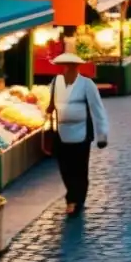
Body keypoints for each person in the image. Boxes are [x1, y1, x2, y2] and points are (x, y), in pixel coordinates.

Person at [47, 53, 109, 217]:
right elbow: (51, 104)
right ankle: (72, 195)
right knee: (65, 167)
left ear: (77, 67)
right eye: (66, 66)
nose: (69, 69)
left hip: (82, 133)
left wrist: (102, 134)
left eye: (72, 66)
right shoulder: (55, 83)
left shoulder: (87, 84)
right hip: (61, 132)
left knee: (80, 168)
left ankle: (74, 199)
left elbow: (98, 109)